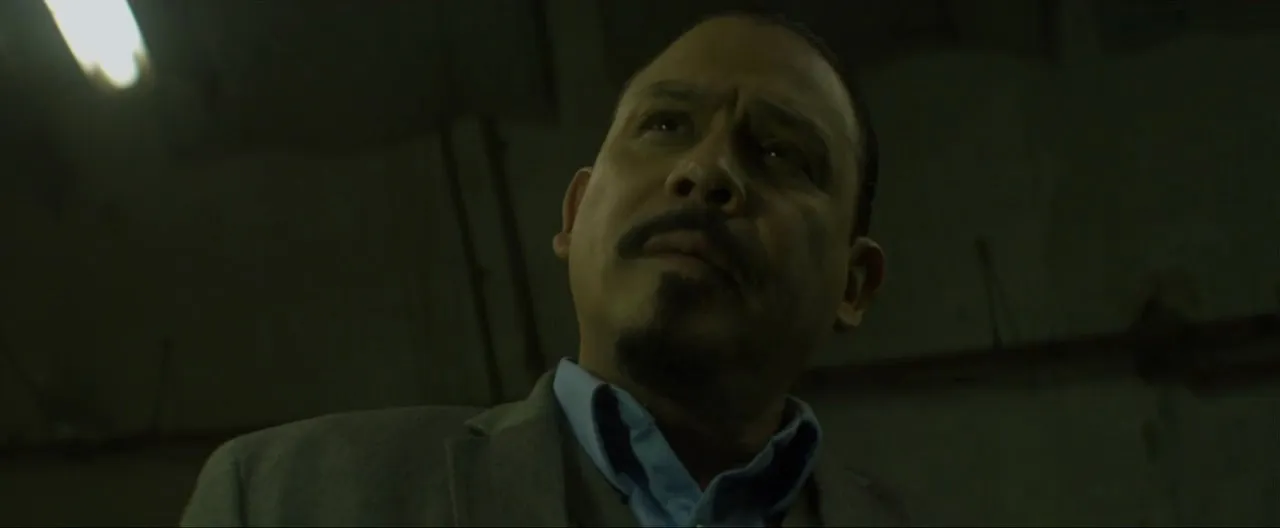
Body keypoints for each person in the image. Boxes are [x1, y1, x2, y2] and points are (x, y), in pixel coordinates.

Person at [181, 11, 895, 527]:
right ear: (575, 212)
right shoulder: (283, 498)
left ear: (854, 284)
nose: (705, 170)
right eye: (664, 125)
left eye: (779, 152)